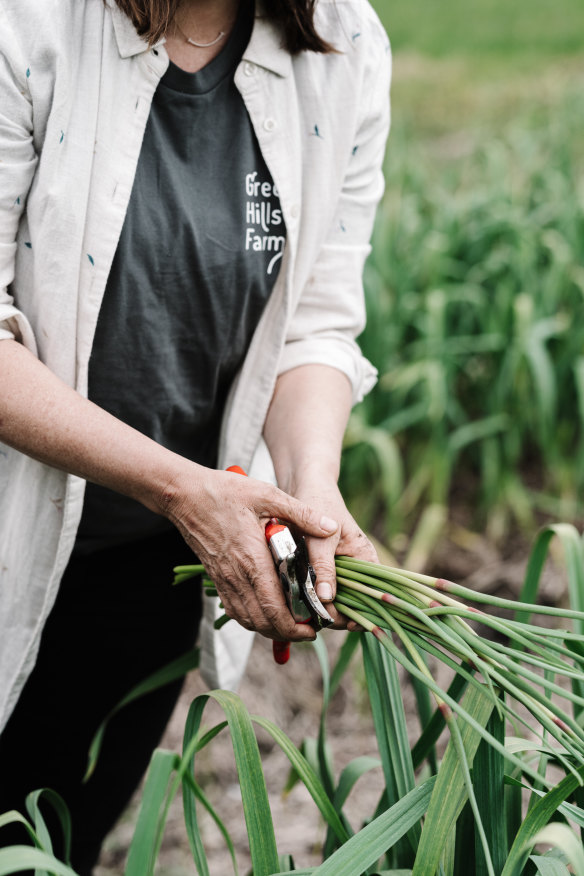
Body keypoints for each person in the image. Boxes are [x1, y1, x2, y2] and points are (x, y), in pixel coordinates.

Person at [0, 0, 390, 869]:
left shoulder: (344, 42)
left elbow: (313, 324)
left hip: (153, 563)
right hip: (24, 527)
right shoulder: (28, 24)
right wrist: (184, 486)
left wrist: (310, 489)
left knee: (51, 837)